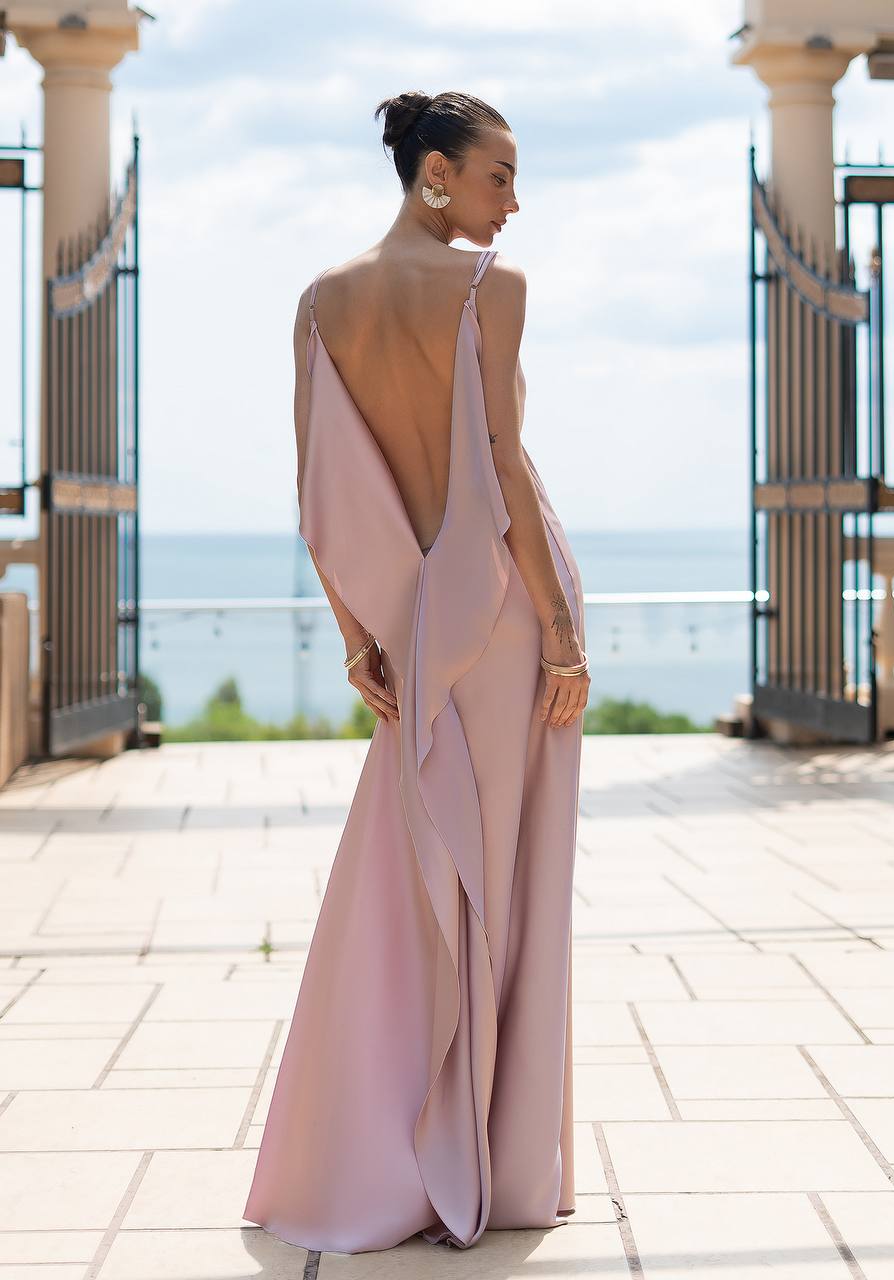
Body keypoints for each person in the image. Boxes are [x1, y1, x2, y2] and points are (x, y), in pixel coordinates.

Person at [243, 89, 590, 1255]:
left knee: (421, 875)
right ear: (434, 172)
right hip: (502, 612)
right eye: (498, 175)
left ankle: (396, 1149)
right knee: (512, 878)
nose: (514, 200)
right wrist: (561, 629)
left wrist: (360, 636)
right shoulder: (492, 287)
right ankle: (492, 1155)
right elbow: (501, 462)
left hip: (412, 621)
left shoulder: (322, 302)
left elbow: (317, 491)